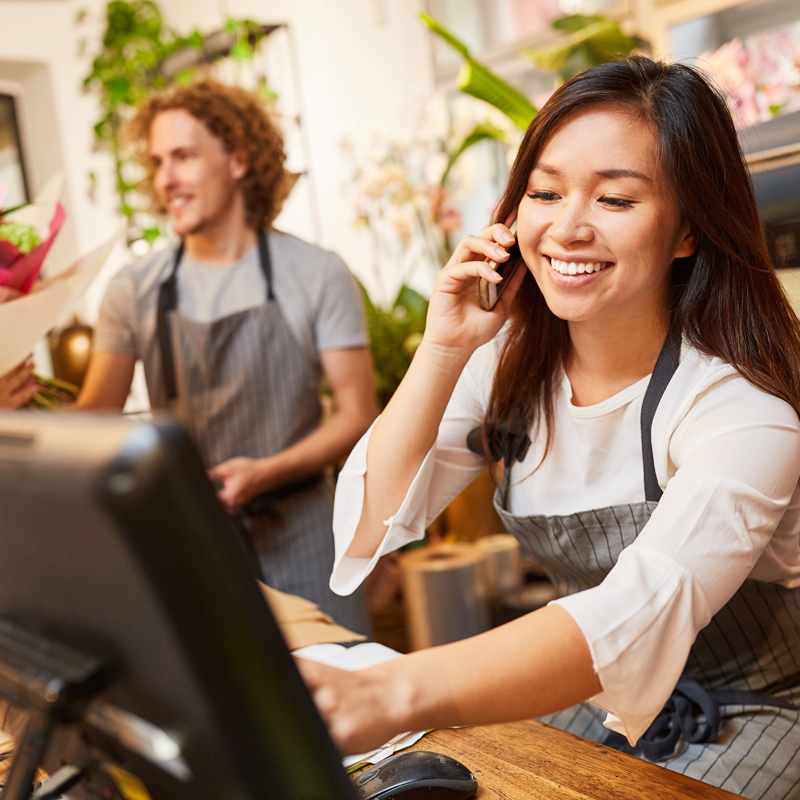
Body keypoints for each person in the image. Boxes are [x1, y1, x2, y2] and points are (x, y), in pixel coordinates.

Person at [299, 56, 800, 799]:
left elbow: (634, 609)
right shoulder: (507, 362)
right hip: (590, 695)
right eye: (544, 191)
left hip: (750, 713)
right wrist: (442, 350)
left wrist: (386, 693)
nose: (567, 228)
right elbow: (373, 521)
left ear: (688, 230)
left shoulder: (740, 409)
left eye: (616, 201)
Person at [75, 80, 376, 634]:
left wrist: (268, 471)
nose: (166, 179)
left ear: (238, 160)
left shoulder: (315, 274)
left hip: (308, 533)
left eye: (184, 157)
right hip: (195, 545)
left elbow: (359, 412)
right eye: (158, 161)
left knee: (342, 704)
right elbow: (96, 412)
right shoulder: (134, 288)